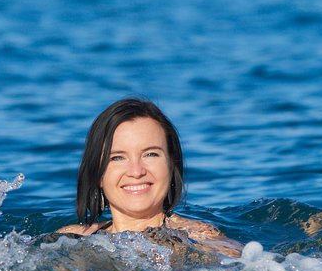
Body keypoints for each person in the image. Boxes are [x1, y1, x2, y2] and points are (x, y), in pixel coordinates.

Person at [57, 98, 242, 257]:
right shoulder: (70, 238)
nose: (136, 171)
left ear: (171, 164)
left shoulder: (199, 236)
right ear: (97, 174)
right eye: (117, 158)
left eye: (151, 154)